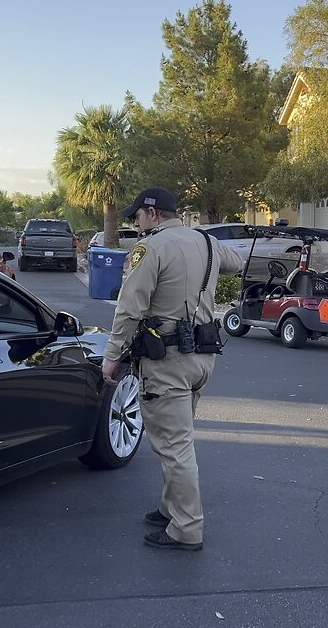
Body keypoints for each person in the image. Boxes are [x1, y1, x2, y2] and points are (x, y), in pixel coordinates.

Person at [101, 187, 243, 551]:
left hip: (167, 362)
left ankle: (186, 528)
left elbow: (129, 309)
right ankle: (171, 508)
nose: (135, 221)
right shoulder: (206, 242)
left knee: (175, 445)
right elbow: (236, 262)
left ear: (154, 214)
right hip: (203, 358)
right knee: (177, 437)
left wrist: (112, 357)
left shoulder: (150, 249)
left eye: (138, 215)